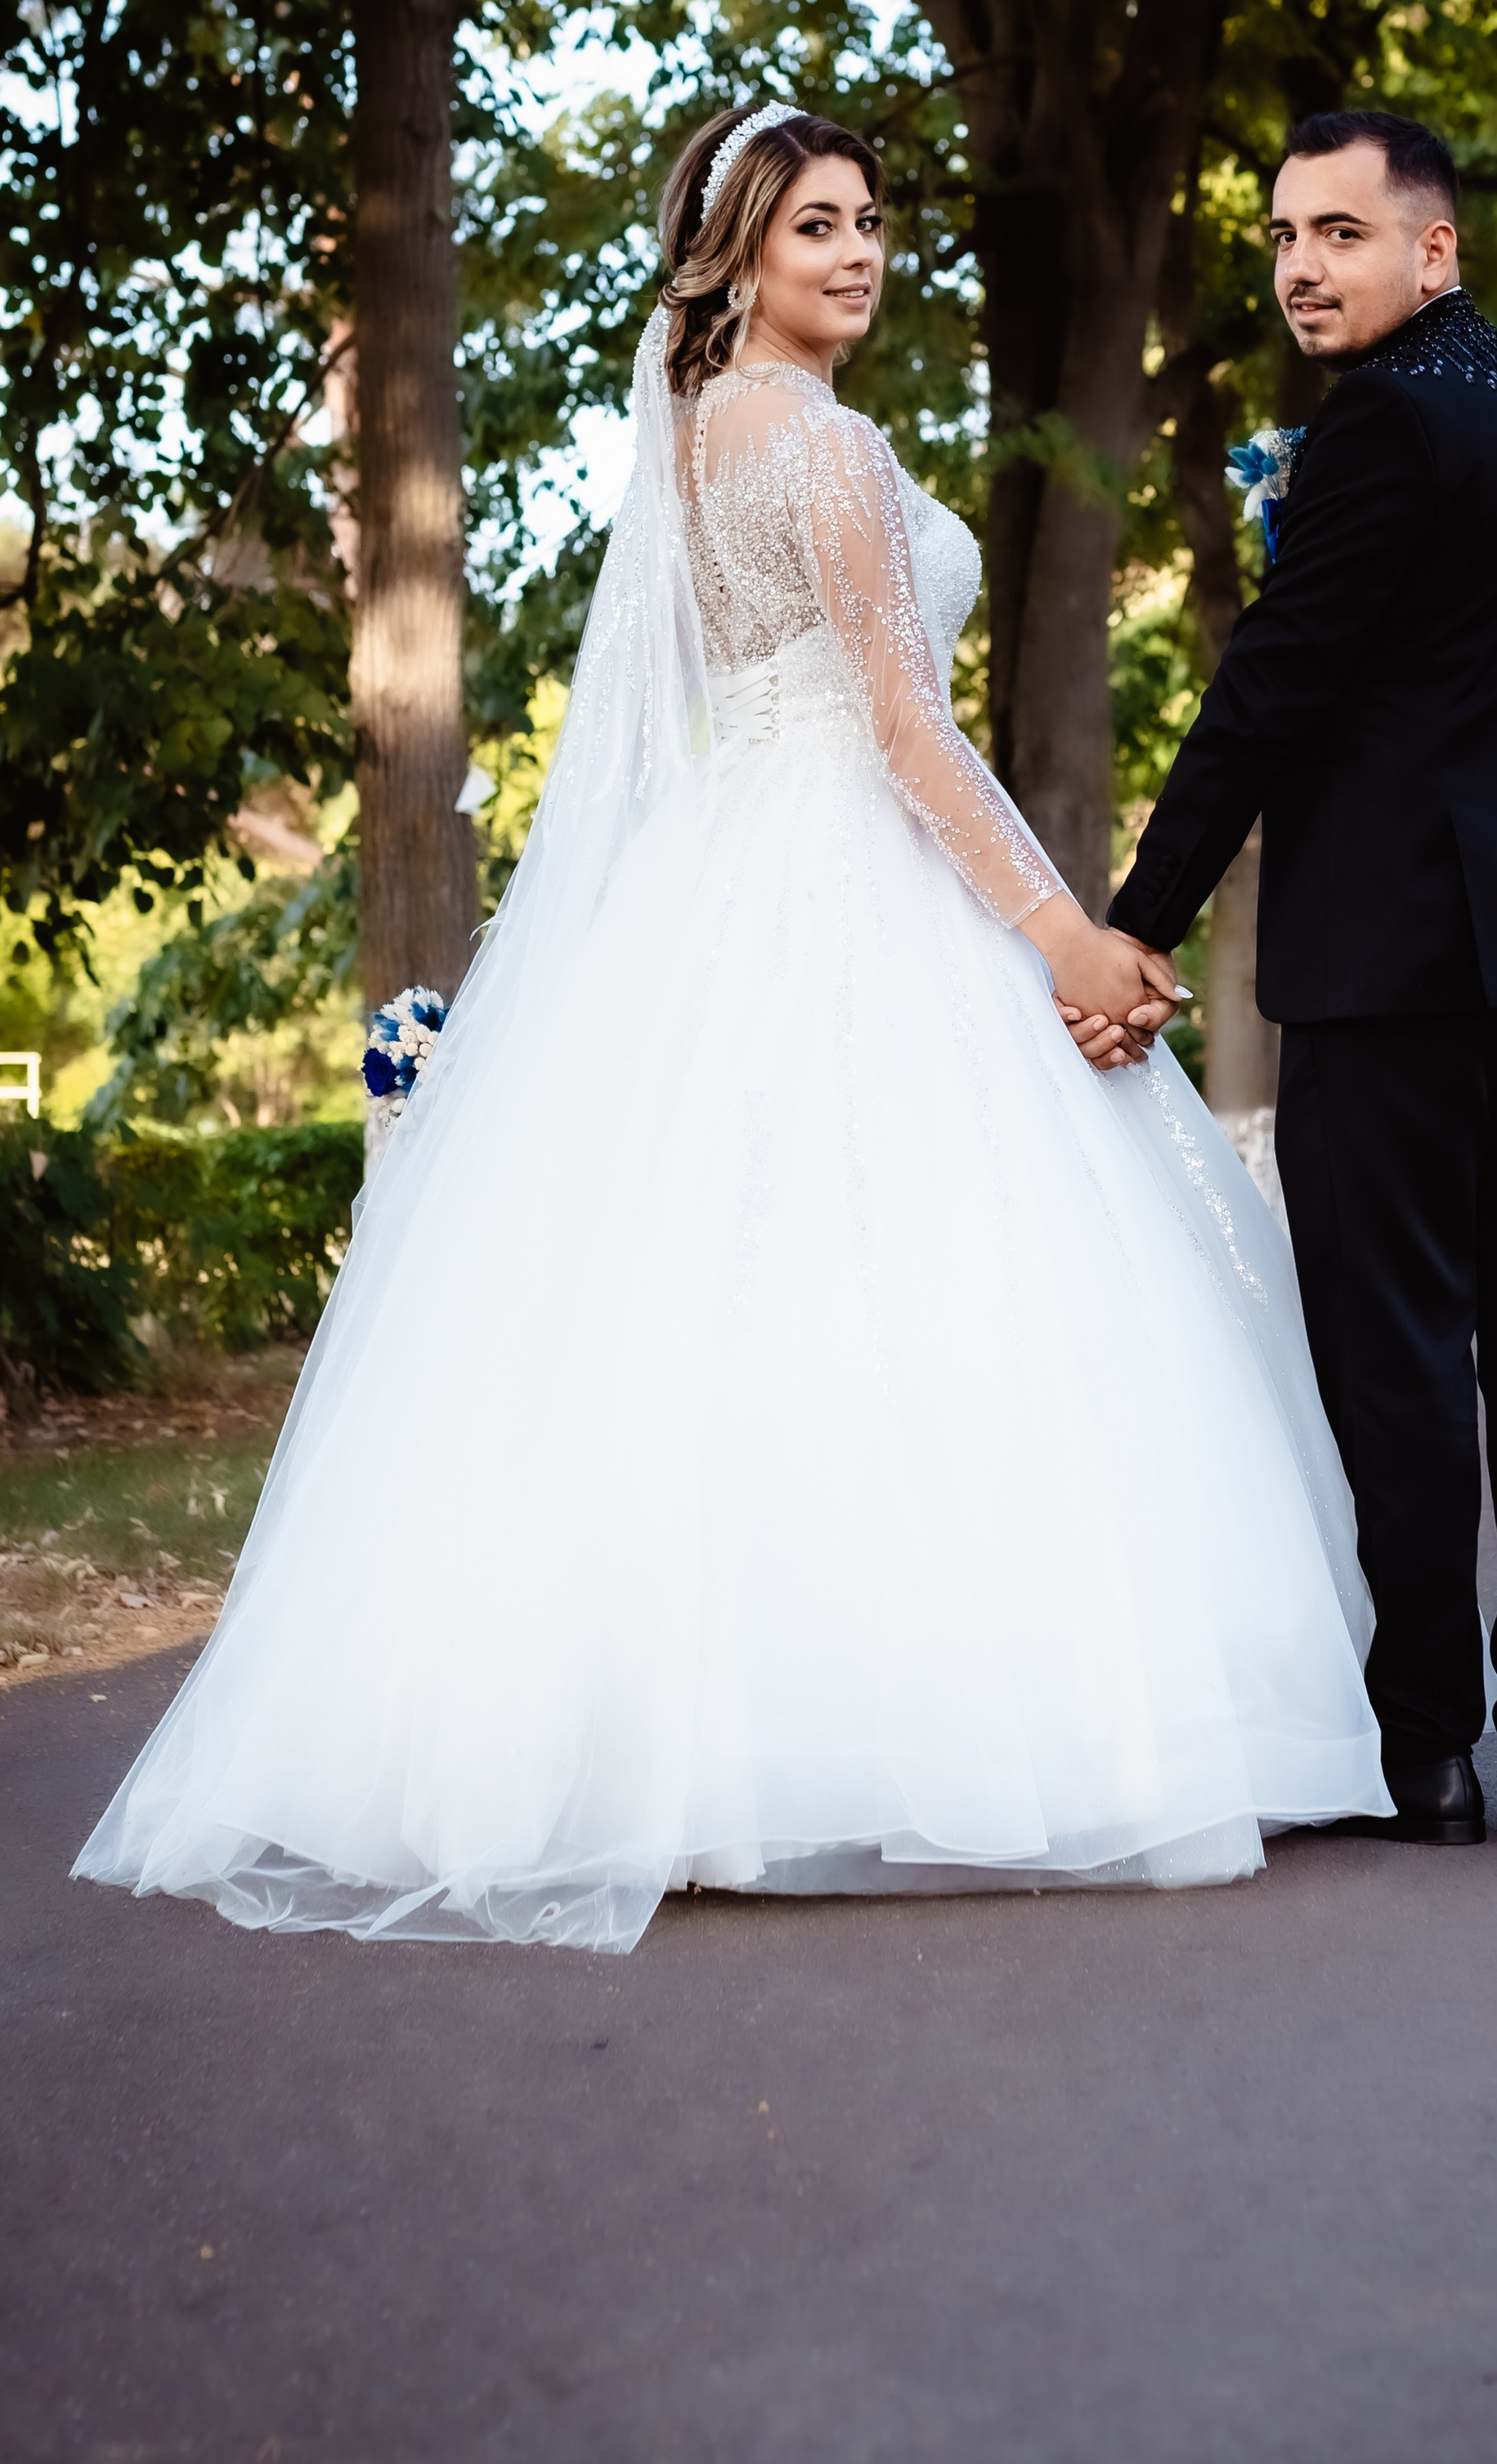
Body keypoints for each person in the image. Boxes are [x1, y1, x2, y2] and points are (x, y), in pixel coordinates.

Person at [75, 101, 1390, 1951]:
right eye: (812, 230)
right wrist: (1060, 937)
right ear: (735, 260)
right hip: (846, 861)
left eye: (866, 222)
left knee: (699, 1286)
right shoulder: (824, 447)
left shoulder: (699, 437)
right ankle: (902, 1730)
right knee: (899, 1278)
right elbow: (905, 730)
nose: (855, 253)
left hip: (734, 864)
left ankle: (670, 1745)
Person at [1109, 111, 1497, 1851]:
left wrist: (1137, 915)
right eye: (1281, 235)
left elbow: (1275, 683)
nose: (1295, 266)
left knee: (1399, 1359)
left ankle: (1422, 1748)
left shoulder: (1382, 427)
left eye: (1338, 234)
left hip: (1402, 967)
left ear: (1433, 249)